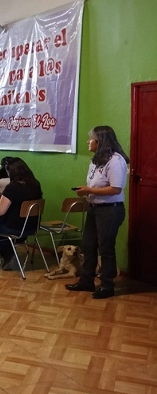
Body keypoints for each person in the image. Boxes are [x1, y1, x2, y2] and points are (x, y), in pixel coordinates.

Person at [66, 125, 129, 299]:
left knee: (105, 248)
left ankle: (107, 286)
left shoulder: (115, 161)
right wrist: (87, 191)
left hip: (110, 211)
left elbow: (115, 189)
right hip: (94, 209)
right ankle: (87, 281)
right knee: (88, 245)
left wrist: (88, 190)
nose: (88, 141)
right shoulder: (96, 160)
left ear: (100, 141)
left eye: (91, 138)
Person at [0, 158, 42, 270]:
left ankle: (8, 253)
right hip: (31, 226)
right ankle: (8, 250)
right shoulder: (36, 185)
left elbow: (0, 211)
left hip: (14, 228)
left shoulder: (12, 188)